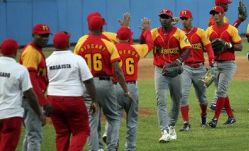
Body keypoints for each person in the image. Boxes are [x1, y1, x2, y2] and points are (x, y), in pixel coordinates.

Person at [74, 15, 132, 150]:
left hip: (87, 85)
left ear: (89, 27)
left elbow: (75, 67)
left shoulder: (80, 43)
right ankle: (112, 148)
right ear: (101, 27)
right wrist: (125, 90)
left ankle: (95, 149)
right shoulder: (108, 44)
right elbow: (117, 70)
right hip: (105, 84)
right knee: (113, 117)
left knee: (92, 122)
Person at [103, 19, 153, 151]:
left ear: (117, 37)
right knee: (132, 121)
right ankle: (130, 148)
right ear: (130, 37)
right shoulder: (135, 49)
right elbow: (150, 44)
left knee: (114, 120)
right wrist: (147, 31)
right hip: (131, 88)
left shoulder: (110, 49)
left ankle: (111, 148)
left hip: (114, 88)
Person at [46, 31, 98, 150]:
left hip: (53, 99)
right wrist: (95, 100)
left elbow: (43, 82)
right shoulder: (76, 59)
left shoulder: (47, 61)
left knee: (61, 133)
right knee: (81, 131)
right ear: (68, 43)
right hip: (73, 99)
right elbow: (88, 81)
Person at [151, 9, 192, 143]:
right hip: (160, 70)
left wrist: (179, 61)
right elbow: (144, 43)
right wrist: (144, 32)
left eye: (166, 17)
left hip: (175, 71)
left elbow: (187, 49)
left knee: (176, 100)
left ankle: (172, 126)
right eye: (162, 17)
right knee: (161, 101)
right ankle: (164, 131)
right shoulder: (154, 33)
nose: (164, 19)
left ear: (171, 19)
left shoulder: (179, 33)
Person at [0, 38, 46, 151]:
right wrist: (40, 113)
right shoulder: (20, 69)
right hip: (11, 115)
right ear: (15, 52)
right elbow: (30, 94)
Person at [178, 9, 215, 131]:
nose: (184, 21)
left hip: (200, 68)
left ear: (191, 18)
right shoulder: (178, 33)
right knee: (183, 95)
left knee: (202, 98)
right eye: (182, 19)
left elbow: (209, 47)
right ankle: (186, 123)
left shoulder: (200, 32)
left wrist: (212, 62)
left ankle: (204, 116)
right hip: (185, 68)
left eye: (186, 18)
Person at [206, 6, 243, 127]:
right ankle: (231, 117)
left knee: (221, 90)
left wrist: (228, 45)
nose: (215, 16)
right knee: (221, 91)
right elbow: (206, 47)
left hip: (228, 64)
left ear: (223, 14)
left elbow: (240, 46)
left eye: (217, 13)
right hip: (216, 64)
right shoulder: (209, 30)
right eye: (213, 14)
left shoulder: (231, 29)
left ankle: (215, 119)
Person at [209, 0, 247, 112]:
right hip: (219, 55)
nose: (228, 5)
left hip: (222, 52)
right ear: (220, 5)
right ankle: (215, 103)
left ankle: (218, 103)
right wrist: (239, 20)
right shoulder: (215, 19)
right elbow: (220, 33)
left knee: (220, 84)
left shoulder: (222, 18)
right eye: (225, 4)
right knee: (217, 83)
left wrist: (239, 20)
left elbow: (229, 29)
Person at [20, 23, 53, 151]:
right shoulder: (31, 52)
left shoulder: (36, 51)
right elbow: (31, 81)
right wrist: (44, 102)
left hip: (30, 97)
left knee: (30, 135)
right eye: (41, 36)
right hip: (30, 98)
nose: (45, 38)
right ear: (34, 35)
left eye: (47, 36)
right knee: (34, 136)